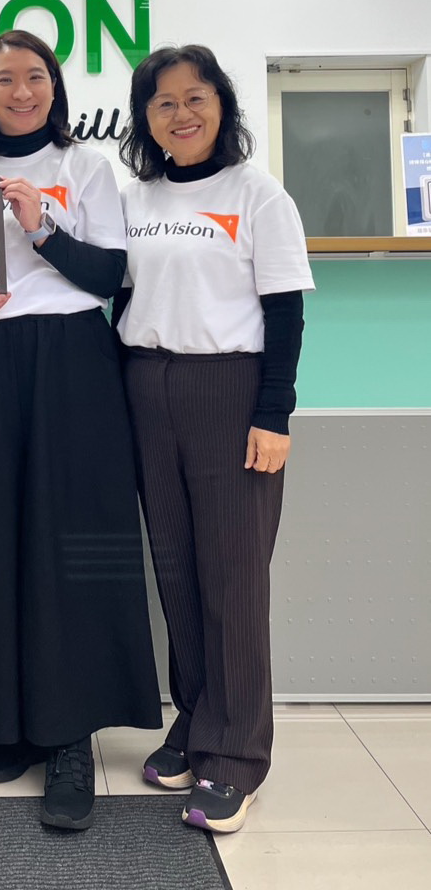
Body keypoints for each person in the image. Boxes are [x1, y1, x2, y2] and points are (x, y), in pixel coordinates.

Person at [0, 30, 162, 832]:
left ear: (54, 88)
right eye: (4, 79)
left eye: (35, 77)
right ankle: (10, 721)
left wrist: (42, 227)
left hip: (73, 359)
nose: (21, 91)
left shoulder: (86, 168)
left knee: (73, 539)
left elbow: (109, 275)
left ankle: (69, 736)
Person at [115, 44, 314, 834]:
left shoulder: (259, 194)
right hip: (146, 384)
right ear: (146, 119)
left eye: (195, 97)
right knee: (176, 572)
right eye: (163, 102)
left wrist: (274, 414)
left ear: (222, 104)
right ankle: (196, 721)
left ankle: (235, 757)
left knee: (232, 579)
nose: (181, 114)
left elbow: (286, 312)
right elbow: (118, 295)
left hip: (231, 391)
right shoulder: (135, 198)